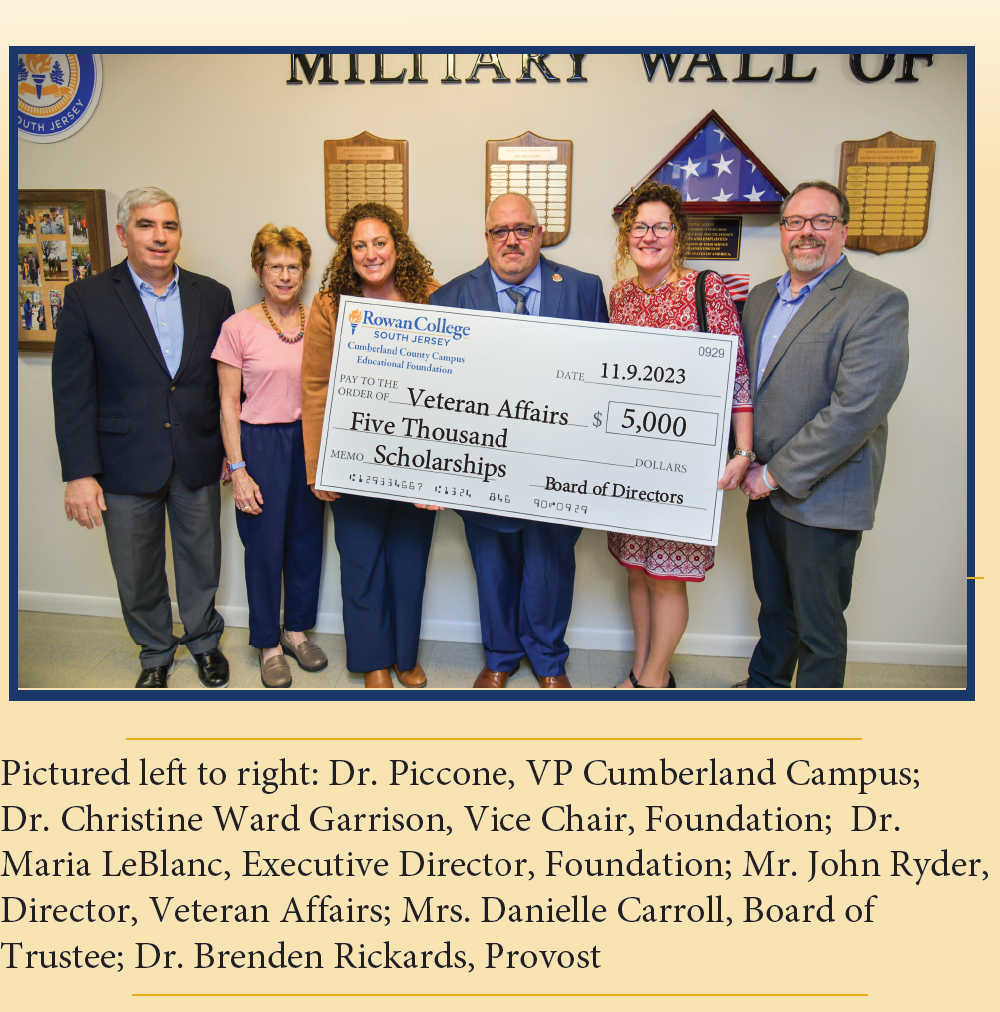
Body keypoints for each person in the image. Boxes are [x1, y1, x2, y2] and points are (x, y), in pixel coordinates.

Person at [52, 186, 235, 689]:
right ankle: (154, 650)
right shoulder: (87, 297)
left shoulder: (213, 294)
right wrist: (79, 474)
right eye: (146, 225)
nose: (160, 237)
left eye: (169, 226)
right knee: (136, 567)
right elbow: (72, 393)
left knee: (201, 559)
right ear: (122, 233)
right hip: (124, 460)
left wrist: (231, 453)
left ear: (180, 234)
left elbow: (226, 384)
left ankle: (203, 643)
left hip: (197, 455)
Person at [430, 192, 609, 689]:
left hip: (559, 463)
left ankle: (549, 660)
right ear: (486, 237)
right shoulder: (448, 297)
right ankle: (501, 655)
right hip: (481, 464)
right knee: (492, 565)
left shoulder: (582, 288)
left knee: (550, 564)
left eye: (522, 229)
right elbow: (435, 391)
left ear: (540, 232)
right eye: (499, 231)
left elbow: (604, 376)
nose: (511, 240)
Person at [738, 181, 909, 688]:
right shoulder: (761, 297)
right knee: (774, 607)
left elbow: (854, 411)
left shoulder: (876, 302)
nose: (806, 232)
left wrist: (773, 474)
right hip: (760, 485)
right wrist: (744, 458)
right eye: (794, 222)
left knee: (819, 628)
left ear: (844, 231)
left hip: (823, 492)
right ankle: (764, 687)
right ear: (783, 231)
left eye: (821, 221)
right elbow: (745, 386)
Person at [606, 182, 754, 689]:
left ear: (678, 235)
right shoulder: (619, 295)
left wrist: (743, 451)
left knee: (666, 575)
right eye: (640, 227)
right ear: (628, 237)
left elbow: (737, 373)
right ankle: (643, 668)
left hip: (685, 461)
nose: (650, 236)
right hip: (628, 456)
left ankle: (651, 682)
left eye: (661, 227)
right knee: (636, 569)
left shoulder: (705, 288)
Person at [301, 202, 440, 689]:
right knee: (361, 562)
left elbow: (459, 383)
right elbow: (316, 386)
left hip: (418, 457)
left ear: (397, 246)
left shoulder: (432, 297)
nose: (370, 253)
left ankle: (405, 658)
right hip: (352, 458)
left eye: (379, 242)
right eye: (359, 245)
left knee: (408, 562)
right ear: (348, 253)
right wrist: (318, 467)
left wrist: (445, 472)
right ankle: (374, 659)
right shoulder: (329, 305)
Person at [212, 225, 328, 688]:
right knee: (263, 549)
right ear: (259, 272)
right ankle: (268, 643)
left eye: (293, 267)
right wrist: (238, 468)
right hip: (259, 444)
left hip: (309, 441)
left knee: (306, 543)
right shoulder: (237, 327)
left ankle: (296, 631)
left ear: (303, 272)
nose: (284, 275)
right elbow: (226, 404)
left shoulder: (318, 321)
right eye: (274, 266)